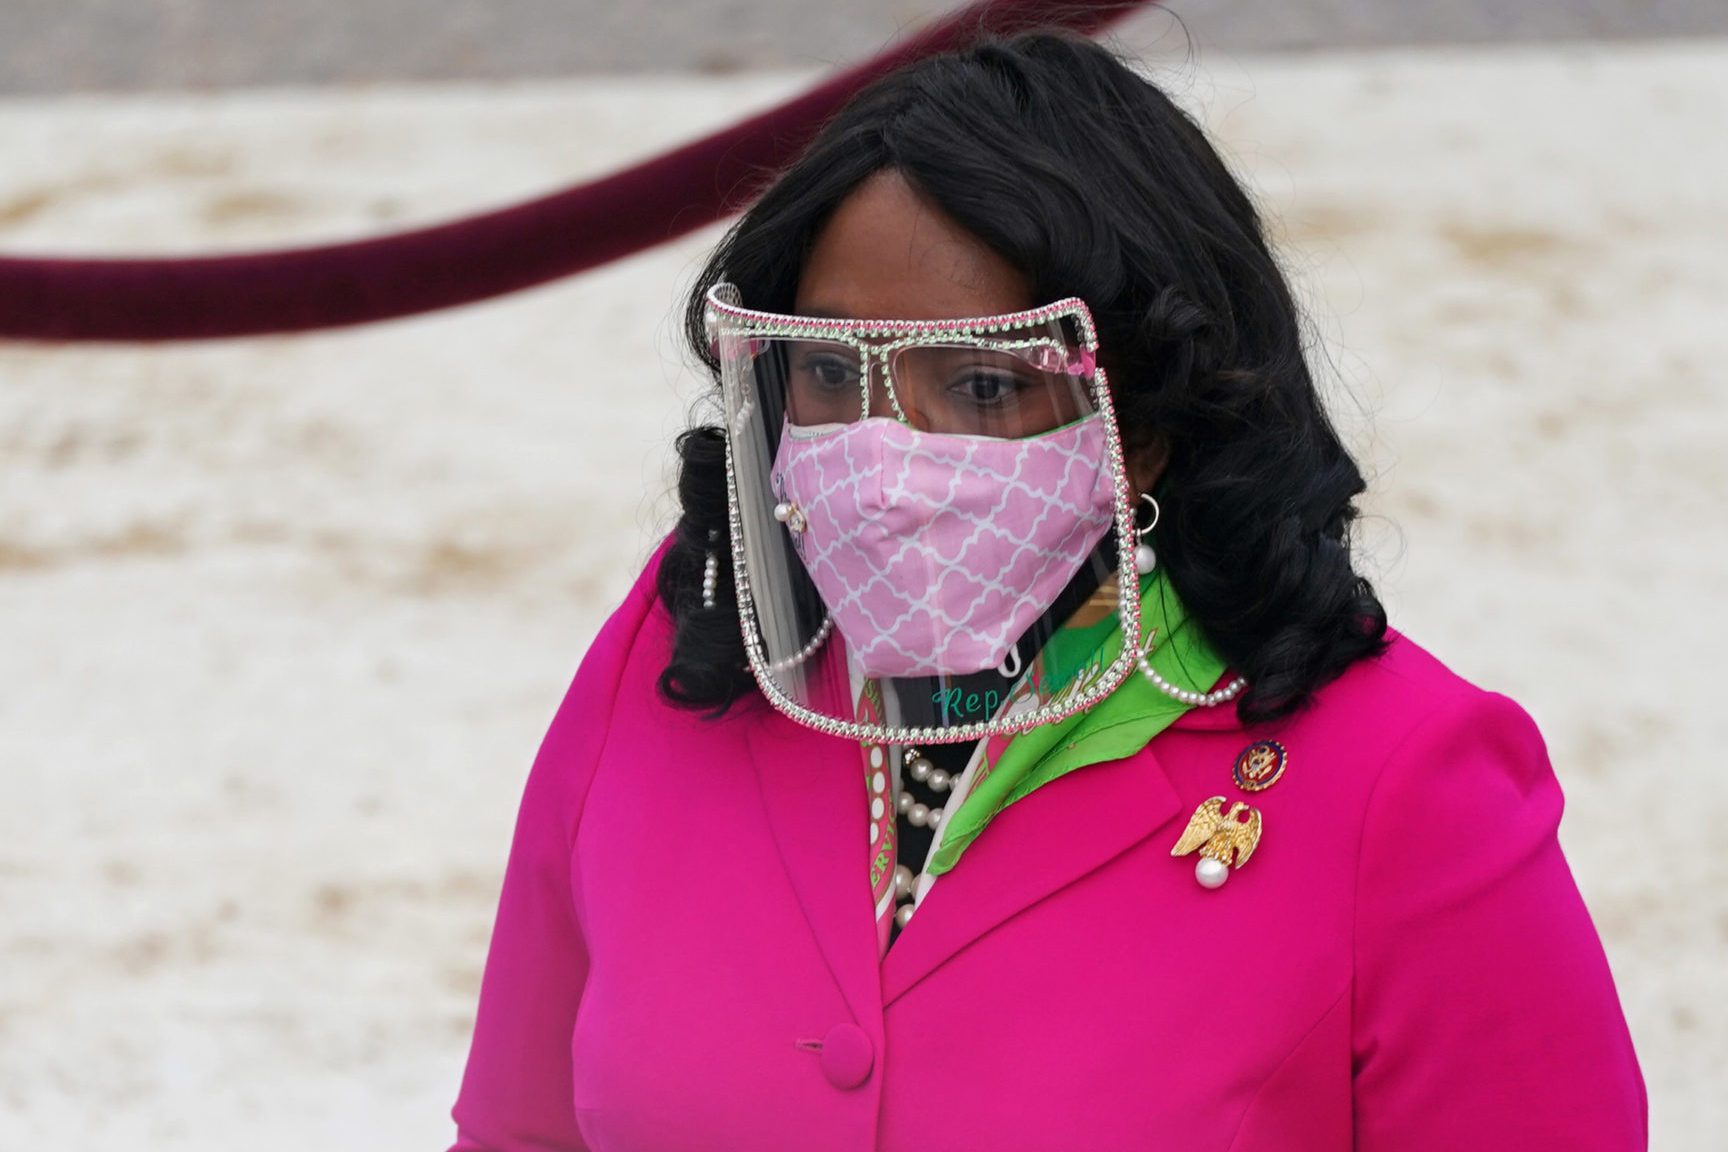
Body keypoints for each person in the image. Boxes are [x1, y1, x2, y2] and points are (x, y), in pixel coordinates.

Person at [445, 31, 1646, 1152]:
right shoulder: (680, 659)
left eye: (979, 389)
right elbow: (519, 1133)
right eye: (826, 370)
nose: (888, 468)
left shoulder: (1405, 785)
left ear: (1152, 420)